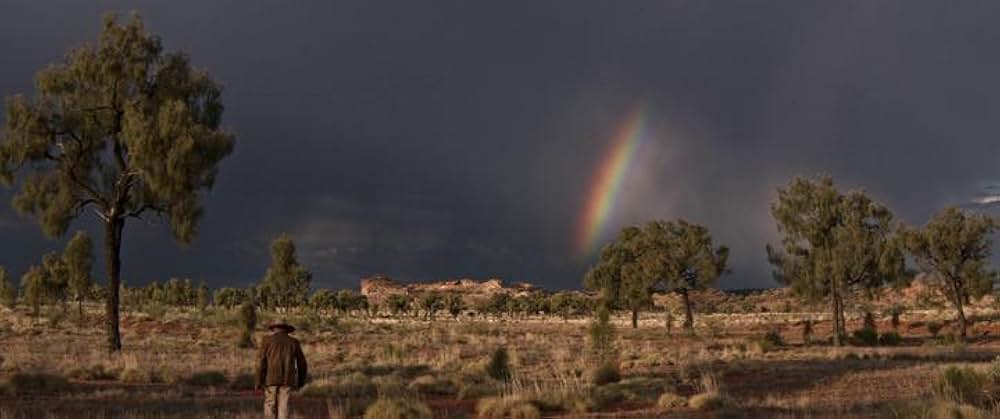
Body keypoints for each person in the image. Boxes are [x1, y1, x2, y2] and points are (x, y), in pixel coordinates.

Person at [255, 319, 308, 419]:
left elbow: (260, 362)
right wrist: (301, 381)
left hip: (270, 379)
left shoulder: (267, 341)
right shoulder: (293, 342)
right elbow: (302, 363)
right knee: (284, 406)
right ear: (287, 329)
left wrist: (259, 381)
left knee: (270, 405)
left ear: (274, 328)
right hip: (287, 379)